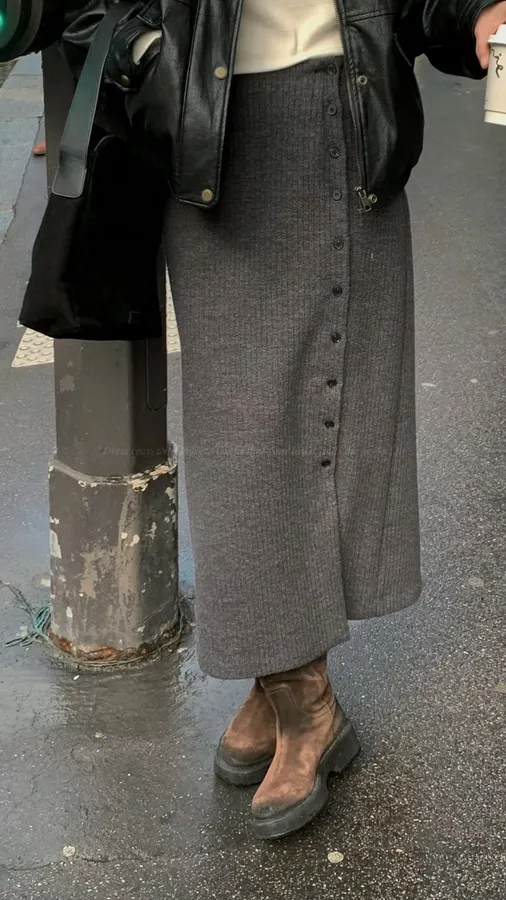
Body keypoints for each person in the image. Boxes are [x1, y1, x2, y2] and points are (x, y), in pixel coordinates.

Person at [57, 0, 506, 840]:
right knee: (238, 431)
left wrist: (472, 12)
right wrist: (154, 59)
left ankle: (298, 695)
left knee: (330, 408)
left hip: (340, 113)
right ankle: (291, 686)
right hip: (208, 132)